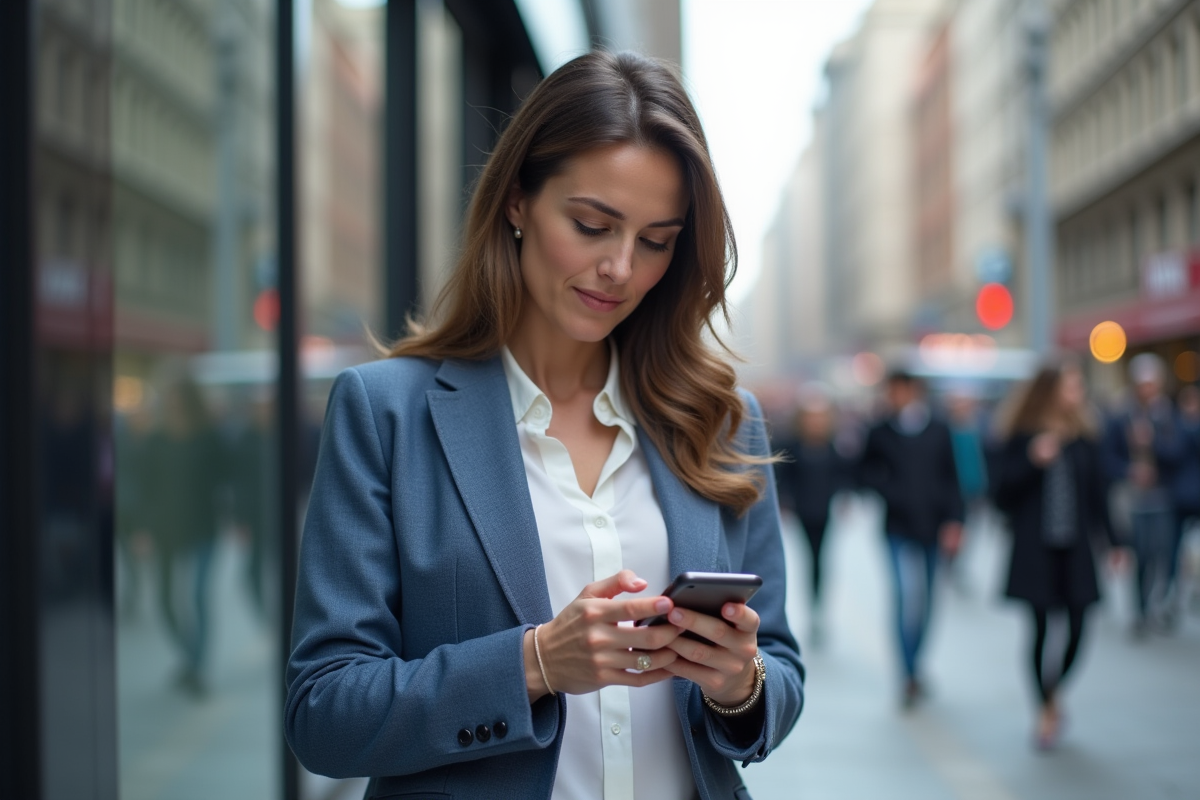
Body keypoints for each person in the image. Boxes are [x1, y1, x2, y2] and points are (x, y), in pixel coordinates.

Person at [285, 50, 805, 799]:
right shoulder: (385, 413)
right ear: (517, 202)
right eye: (592, 225)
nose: (620, 267)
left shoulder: (723, 422)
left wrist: (739, 683)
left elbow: (779, 666)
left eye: (655, 241)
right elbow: (324, 711)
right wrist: (534, 663)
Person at [992, 361, 1122, 750]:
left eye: (1078, 386)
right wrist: (1032, 461)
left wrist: (1116, 542)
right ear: (1049, 390)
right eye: (1070, 386)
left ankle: (1053, 693)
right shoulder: (1022, 436)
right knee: (1040, 629)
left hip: (1076, 549)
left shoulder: (1085, 437)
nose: (1077, 394)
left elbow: (1099, 494)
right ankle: (1044, 708)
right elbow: (1001, 497)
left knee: (1079, 626)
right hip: (1036, 550)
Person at [857, 370, 964, 708]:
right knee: (905, 596)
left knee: (929, 601)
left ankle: (916, 664)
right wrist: (891, 490)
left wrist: (955, 521)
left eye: (899, 390)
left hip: (933, 526)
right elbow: (863, 471)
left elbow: (952, 477)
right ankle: (906, 673)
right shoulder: (880, 430)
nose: (894, 397)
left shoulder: (939, 428)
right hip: (897, 527)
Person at [1101, 353, 1187, 635]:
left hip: (1165, 497)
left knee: (1165, 553)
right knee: (1140, 554)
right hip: (1134, 499)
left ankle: (1162, 603)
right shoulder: (1122, 416)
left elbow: (1180, 453)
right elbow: (1107, 459)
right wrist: (1129, 471)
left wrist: (1153, 441)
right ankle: (1140, 609)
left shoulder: (1168, 415)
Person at [776, 385, 852, 646]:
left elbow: (843, 476)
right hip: (803, 511)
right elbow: (784, 477)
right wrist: (785, 501)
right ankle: (810, 607)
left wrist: (844, 498)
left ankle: (818, 609)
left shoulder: (832, 447)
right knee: (808, 559)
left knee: (821, 561)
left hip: (824, 511)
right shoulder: (793, 446)